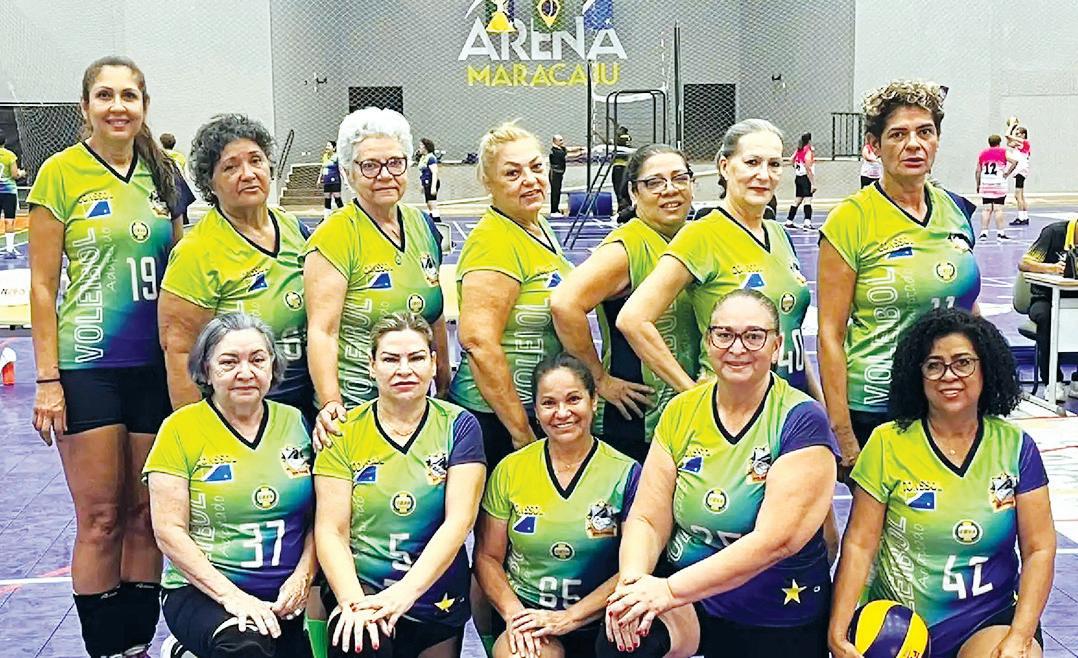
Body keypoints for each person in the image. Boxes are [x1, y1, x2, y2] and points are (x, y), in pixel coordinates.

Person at [27, 55, 193, 658]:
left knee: (146, 513)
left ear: (144, 105)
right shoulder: (60, 173)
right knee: (100, 517)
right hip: (88, 367)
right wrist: (47, 379)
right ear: (86, 106)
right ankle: (105, 649)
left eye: (129, 95)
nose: (118, 106)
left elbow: (185, 268)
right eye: (105, 95)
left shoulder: (165, 174)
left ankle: (137, 646)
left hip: (156, 368)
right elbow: (42, 285)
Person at [600, 290, 839, 658]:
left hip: (775, 609)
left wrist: (668, 590)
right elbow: (647, 517)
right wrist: (633, 586)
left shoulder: (801, 420)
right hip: (691, 603)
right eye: (724, 334)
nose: (737, 348)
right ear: (708, 341)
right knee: (624, 641)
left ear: (776, 346)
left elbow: (776, 542)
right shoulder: (682, 410)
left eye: (753, 336)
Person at [829, 308, 1054, 658]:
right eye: (934, 365)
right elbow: (859, 544)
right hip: (899, 623)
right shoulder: (887, 443)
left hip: (988, 618)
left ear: (986, 367)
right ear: (916, 375)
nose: (949, 375)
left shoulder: (1015, 446)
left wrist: (1020, 636)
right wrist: (838, 630)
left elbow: (1039, 548)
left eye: (963, 363)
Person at [817, 79, 981, 477]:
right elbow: (829, 334)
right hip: (876, 407)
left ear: (937, 140)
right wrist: (842, 431)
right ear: (874, 145)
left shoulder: (957, 210)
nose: (914, 145)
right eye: (898, 134)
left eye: (925, 132)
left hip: (948, 397)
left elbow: (968, 307)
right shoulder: (850, 219)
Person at [314, 312, 486, 657]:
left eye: (416, 358)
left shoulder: (459, 425)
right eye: (391, 359)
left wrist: (402, 595)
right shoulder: (343, 430)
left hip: (435, 596)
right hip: (363, 589)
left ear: (434, 363)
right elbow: (331, 530)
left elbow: (459, 522)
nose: (404, 370)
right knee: (361, 640)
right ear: (371, 366)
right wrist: (354, 603)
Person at [146, 313, 316, 658]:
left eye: (257, 360)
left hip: (283, 597)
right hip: (205, 593)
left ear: (273, 366)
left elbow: (321, 519)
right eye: (229, 362)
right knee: (245, 647)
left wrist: (303, 577)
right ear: (206, 369)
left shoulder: (296, 422)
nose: (245, 372)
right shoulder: (180, 429)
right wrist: (232, 597)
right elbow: (168, 531)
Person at [618, 120, 819, 399]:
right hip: (735, 407)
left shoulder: (779, 233)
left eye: (774, 164)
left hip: (789, 406)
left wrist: (819, 406)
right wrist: (691, 394)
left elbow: (789, 330)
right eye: (752, 162)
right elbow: (633, 320)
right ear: (725, 166)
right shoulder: (701, 235)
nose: (764, 174)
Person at [475, 353, 649, 658]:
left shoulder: (626, 473)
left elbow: (637, 564)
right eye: (549, 403)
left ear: (594, 401)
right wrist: (515, 616)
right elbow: (488, 557)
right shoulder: (510, 470)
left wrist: (570, 617)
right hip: (531, 615)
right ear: (536, 411)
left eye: (573, 399)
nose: (562, 412)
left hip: (603, 617)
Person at [305, 107, 449, 439]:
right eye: (369, 165)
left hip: (414, 404)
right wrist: (332, 404)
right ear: (348, 172)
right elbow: (323, 331)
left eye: (395, 162)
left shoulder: (422, 225)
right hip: (356, 408)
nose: (385, 174)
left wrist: (443, 379)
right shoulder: (335, 236)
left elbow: (435, 311)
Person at [159, 114, 314, 420]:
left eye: (256, 161)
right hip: (240, 415)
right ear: (210, 182)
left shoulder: (297, 231)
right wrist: (199, 432)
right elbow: (179, 353)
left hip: (307, 409)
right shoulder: (196, 252)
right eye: (230, 167)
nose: (248, 174)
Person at [550, 143, 699, 463]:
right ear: (633, 192)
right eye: (654, 182)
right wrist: (599, 379)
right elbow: (564, 303)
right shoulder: (626, 247)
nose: (670, 189)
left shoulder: (694, 238)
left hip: (685, 413)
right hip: (637, 418)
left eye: (679, 178)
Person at [449, 120, 573, 467]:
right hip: (494, 419)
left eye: (536, 167)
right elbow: (478, 342)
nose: (530, 180)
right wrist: (520, 432)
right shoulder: (494, 242)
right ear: (488, 182)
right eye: (512, 173)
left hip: (535, 407)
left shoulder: (536, 224)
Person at [1018, 217, 1078, 401]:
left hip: (1074, 299)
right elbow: (1024, 263)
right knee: (1047, 318)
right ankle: (1053, 381)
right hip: (1044, 298)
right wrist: (1051, 268)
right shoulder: (1053, 232)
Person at [975, 134, 1012, 241]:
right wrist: (1007, 172)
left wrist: (978, 184)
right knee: (998, 209)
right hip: (998, 184)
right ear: (999, 142)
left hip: (986, 184)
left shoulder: (983, 153)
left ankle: (983, 233)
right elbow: (1015, 161)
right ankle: (1000, 233)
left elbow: (978, 171)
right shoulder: (1003, 152)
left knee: (986, 209)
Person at [0, 129, 25, 258]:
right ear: (4, 141)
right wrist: (22, 173)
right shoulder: (10, 155)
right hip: (8, 192)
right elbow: (15, 175)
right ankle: (10, 250)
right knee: (9, 220)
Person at [784, 132, 816, 230]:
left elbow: (791, 159)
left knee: (797, 200)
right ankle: (807, 223)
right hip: (805, 177)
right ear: (809, 140)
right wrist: (812, 183)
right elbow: (808, 167)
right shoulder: (807, 151)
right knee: (808, 200)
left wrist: (796, 167)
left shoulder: (799, 149)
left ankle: (789, 221)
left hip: (798, 177)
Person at [1007, 125, 1032, 226]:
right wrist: (1012, 130)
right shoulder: (1019, 144)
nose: (1016, 136)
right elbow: (1009, 142)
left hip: (1021, 170)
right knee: (1020, 195)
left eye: (1018, 134)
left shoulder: (1024, 142)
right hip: (1020, 171)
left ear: (1023, 135)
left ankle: (1021, 218)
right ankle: (1025, 216)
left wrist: (1011, 125)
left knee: (1018, 195)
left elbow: (1007, 135)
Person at [319, 140, 344, 218]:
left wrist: (345, 180)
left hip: (335, 181)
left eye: (329, 146)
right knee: (327, 199)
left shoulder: (336, 157)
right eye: (326, 146)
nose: (327, 147)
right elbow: (322, 167)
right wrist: (319, 178)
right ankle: (327, 216)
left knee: (337, 198)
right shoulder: (325, 156)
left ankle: (344, 215)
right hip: (327, 181)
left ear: (334, 148)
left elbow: (341, 169)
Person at [418, 137, 441, 219]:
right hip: (426, 183)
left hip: (431, 182)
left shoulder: (431, 158)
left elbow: (435, 172)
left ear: (425, 147)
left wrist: (433, 187)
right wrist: (423, 185)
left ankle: (437, 221)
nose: (419, 147)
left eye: (421, 145)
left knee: (432, 203)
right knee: (429, 204)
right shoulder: (424, 157)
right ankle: (432, 219)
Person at [612, 125, 633, 214]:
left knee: (620, 189)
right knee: (617, 189)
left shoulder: (624, 138)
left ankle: (624, 208)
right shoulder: (619, 140)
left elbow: (620, 143)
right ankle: (621, 208)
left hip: (622, 167)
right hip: (617, 166)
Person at [549, 134, 567, 216]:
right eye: (560, 140)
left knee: (558, 191)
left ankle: (556, 209)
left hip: (559, 173)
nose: (562, 142)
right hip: (555, 173)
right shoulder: (555, 151)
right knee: (555, 192)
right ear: (555, 141)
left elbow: (566, 151)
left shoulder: (560, 149)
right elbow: (564, 154)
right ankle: (553, 210)